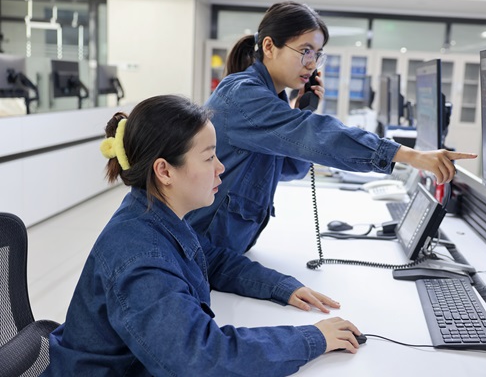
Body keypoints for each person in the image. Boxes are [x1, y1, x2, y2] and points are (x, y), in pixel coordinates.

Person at [43, 95, 362, 376]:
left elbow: (211, 260)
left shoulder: (153, 213)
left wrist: (281, 287)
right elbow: (201, 359)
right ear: (165, 171)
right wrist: (312, 338)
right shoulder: (141, 258)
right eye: (209, 157)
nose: (221, 168)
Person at [185, 1, 477, 254]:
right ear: (270, 47)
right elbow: (320, 135)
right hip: (201, 252)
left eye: (317, 54)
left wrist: (302, 111)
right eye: (305, 51)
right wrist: (410, 156)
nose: (312, 64)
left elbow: (290, 169)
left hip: (223, 250)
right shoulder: (244, 95)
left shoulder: (270, 99)